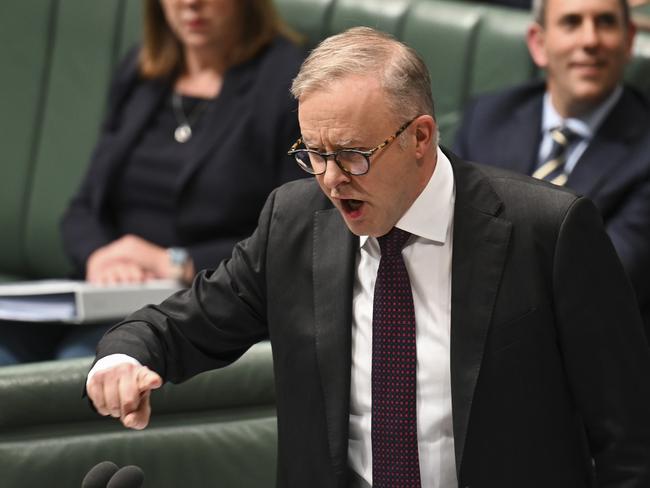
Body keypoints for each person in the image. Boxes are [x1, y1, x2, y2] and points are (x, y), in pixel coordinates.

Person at [86, 27, 650, 487]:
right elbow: (188, 323)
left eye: (353, 155)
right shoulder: (295, 222)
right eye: (314, 154)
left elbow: (628, 438)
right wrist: (125, 358)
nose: (331, 181)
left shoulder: (547, 230)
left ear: (420, 137)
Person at [0, 0, 305, 365]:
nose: (191, 4)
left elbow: (294, 237)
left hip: (204, 299)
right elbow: (83, 208)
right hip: (106, 291)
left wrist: (175, 262)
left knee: (85, 363)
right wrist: (101, 257)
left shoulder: (288, 81)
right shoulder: (143, 72)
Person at [454, 0, 650, 334]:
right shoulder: (487, 119)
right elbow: (448, 230)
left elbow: (608, 276)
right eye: (571, 23)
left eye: (605, 22)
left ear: (629, 39)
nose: (590, 40)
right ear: (539, 43)